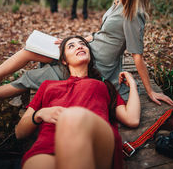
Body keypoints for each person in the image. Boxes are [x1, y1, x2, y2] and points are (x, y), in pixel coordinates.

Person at [0, 0, 173, 106]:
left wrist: (150, 91)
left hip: (94, 64)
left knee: (28, 79)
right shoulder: (120, 1)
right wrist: (78, 39)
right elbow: (105, 34)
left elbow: (137, 56)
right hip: (86, 49)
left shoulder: (133, 15)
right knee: (30, 51)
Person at [15, 35, 141, 169]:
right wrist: (40, 114)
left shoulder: (104, 85)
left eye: (82, 44)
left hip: (95, 141)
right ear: (64, 60)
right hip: (48, 145)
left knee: (73, 117)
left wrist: (132, 84)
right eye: (71, 46)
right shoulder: (47, 86)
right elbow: (20, 132)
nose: (79, 46)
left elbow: (132, 119)